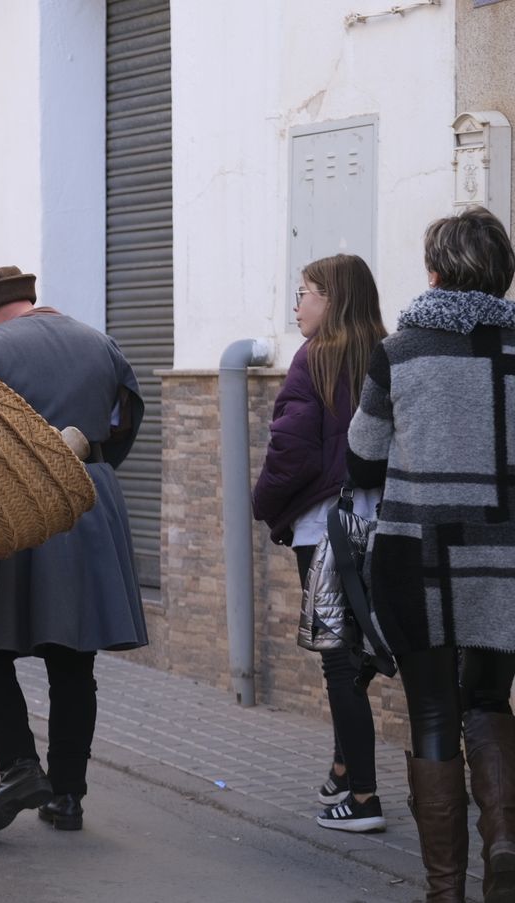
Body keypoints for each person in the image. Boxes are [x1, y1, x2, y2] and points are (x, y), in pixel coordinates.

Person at [0, 265, 148, 836]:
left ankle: (18, 767)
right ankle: (68, 797)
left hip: (13, 507)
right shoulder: (101, 343)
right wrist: (88, 475)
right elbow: (125, 423)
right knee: (73, 658)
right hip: (89, 500)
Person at [349, 206, 515, 903]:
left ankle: (445, 890)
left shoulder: (400, 351)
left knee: (434, 712)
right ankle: (504, 839)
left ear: (435, 271)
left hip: (417, 558)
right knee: (489, 696)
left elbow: (362, 455)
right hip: (507, 557)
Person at [252, 254, 388, 833]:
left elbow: (293, 449)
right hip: (385, 522)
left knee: (340, 660)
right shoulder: (385, 352)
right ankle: (342, 766)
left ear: (332, 300)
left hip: (327, 529)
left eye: (305, 292)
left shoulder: (313, 358)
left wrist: (264, 506)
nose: (296, 304)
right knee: (371, 646)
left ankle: (362, 798)